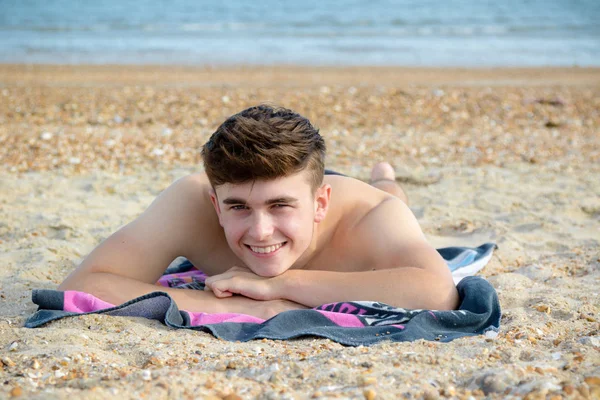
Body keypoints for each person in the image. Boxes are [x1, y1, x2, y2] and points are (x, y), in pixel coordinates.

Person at [58, 105, 458, 319]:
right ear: (216, 205)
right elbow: (83, 285)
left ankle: (384, 174)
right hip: (302, 185)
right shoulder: (190, 201)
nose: (261, 231)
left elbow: (438, 291)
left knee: (392, 196)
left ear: (320, 204)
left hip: (364, 198)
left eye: (278, 206)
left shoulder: (372, 215)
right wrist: (239, 305)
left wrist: (283, 285)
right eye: (238, 207)